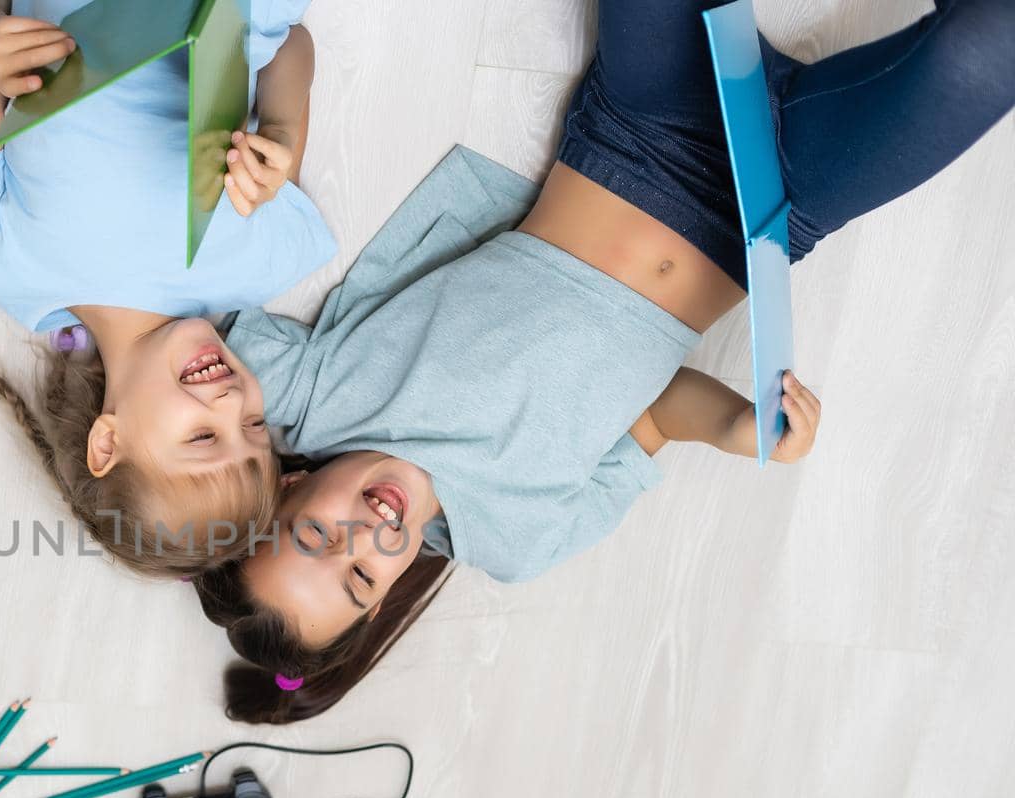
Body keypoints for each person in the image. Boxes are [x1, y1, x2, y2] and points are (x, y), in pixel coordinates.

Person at [197, 0, 1015, 718]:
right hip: (777, 209)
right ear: (381, 604)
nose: (364, 537)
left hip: (644, 125)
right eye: (361, 580)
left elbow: (180, 335)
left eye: (317, 533)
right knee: (986, 48)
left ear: (291, 482)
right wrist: (739, 427)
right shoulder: (521, 542)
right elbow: (656, 417)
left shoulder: (309, 398)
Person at [0, 1, 333, 576]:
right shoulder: (262, 264)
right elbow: (293, 45)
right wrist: (280, 133)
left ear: (107, 443)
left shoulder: (1, 261)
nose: (233, 403)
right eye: (252, 429)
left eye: (202, 437)